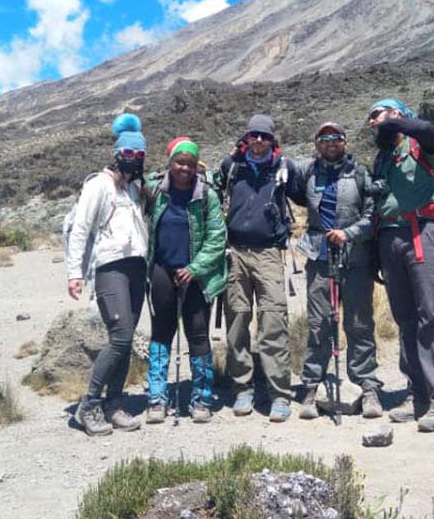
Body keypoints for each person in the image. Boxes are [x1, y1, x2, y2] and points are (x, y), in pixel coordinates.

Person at [367, 98, 434, 432]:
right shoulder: (382, 158)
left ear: (397, 114)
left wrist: (398, 122)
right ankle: (417, 394)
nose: (373, 122)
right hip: (390, 239)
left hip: (421, 233)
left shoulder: (423, 144)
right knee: (405, 319)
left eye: (377, 115)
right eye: (370, 119)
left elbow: (429, 130)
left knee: (431, 316)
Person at [288, 121, 383, 419]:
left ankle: (368, 387)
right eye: (324, 138)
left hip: (355, 257)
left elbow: (373, 214)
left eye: (336, 138)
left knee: (358, 322)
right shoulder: (307, 172)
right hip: (319, 256)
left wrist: (349, 233)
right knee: (319, 323)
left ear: (345, 142)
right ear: (316, 144)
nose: (331, 143)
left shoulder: (360, 173)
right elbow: (287, 177)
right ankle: (312, 386)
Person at [65, 113, 149, 436]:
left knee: (126, 343)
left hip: (135, 268)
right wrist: (74, 273)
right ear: (117, 154)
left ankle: (115, 404)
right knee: (121, 337)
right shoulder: (99, 185)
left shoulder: (135, 188)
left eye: (139, 154)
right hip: (109, 268)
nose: (133, 160)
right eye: (128, 154)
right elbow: (81, 230)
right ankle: (89, 405)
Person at [218, 114, 299, 422]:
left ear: (272, 140)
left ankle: (279, 393)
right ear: (246, 137)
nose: (259, 140)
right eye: (254, 135)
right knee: (237, 319)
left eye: (264, 136)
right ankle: (242, 387)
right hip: (235, 251)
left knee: (273, 321)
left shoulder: (284, 169)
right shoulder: (231, 168)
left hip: (269, 254)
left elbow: (309, 195)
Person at [145, 137, 227, 424]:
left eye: (190, 164)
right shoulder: (155, 190)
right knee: (161, 332)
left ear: (196, 166)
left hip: (197, 276)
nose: (184, 168)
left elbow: (217, 238)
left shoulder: (207, 195)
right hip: (162, 271)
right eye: (179, 162)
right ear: (170, 163)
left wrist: (195, 267)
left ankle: (201, 398)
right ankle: (156, 397)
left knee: (198, 333)